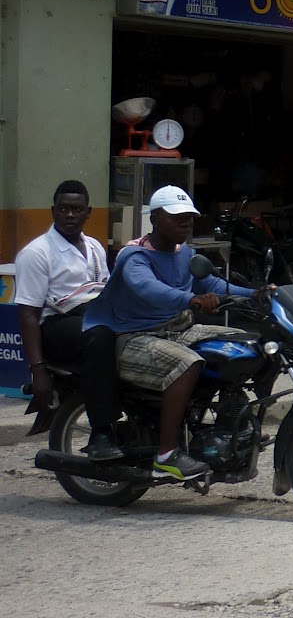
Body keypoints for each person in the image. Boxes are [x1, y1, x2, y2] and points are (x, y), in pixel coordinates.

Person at [81, 186, 257, 480]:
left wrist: (255, 294)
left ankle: (231, 420)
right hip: (135, 337)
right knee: (186, 363)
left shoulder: (184, 254)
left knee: (240, 343)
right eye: (178, 217)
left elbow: (211, 285)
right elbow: (148, 289)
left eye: (189, 217)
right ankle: (167, 454)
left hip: (178, 330)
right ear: (156, 219)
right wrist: (189, 299)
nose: (185, 223)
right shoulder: (134, 256)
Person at [14, 180, 115, 458]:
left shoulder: (95, 247)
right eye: (63, 209)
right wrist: (38, 370)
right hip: (56, 327)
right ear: (53, 211)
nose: (70, 215)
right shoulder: (37, 252)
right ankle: (101, 432)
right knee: (100, 335)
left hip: (92, 317)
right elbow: (28, 314)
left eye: (77, 209)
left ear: (88, 212)